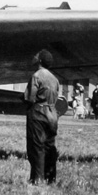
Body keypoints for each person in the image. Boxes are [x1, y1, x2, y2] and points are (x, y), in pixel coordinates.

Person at [24, 49, 60, 185]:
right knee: (50, 146)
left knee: (37, 146)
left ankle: (37, 179)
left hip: (38, 112)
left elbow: (30, 98)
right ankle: (51, 178)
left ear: (40, 60)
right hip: (52, 114)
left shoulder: (36, 76)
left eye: (36, 55)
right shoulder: (54, 79)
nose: (34, 56)